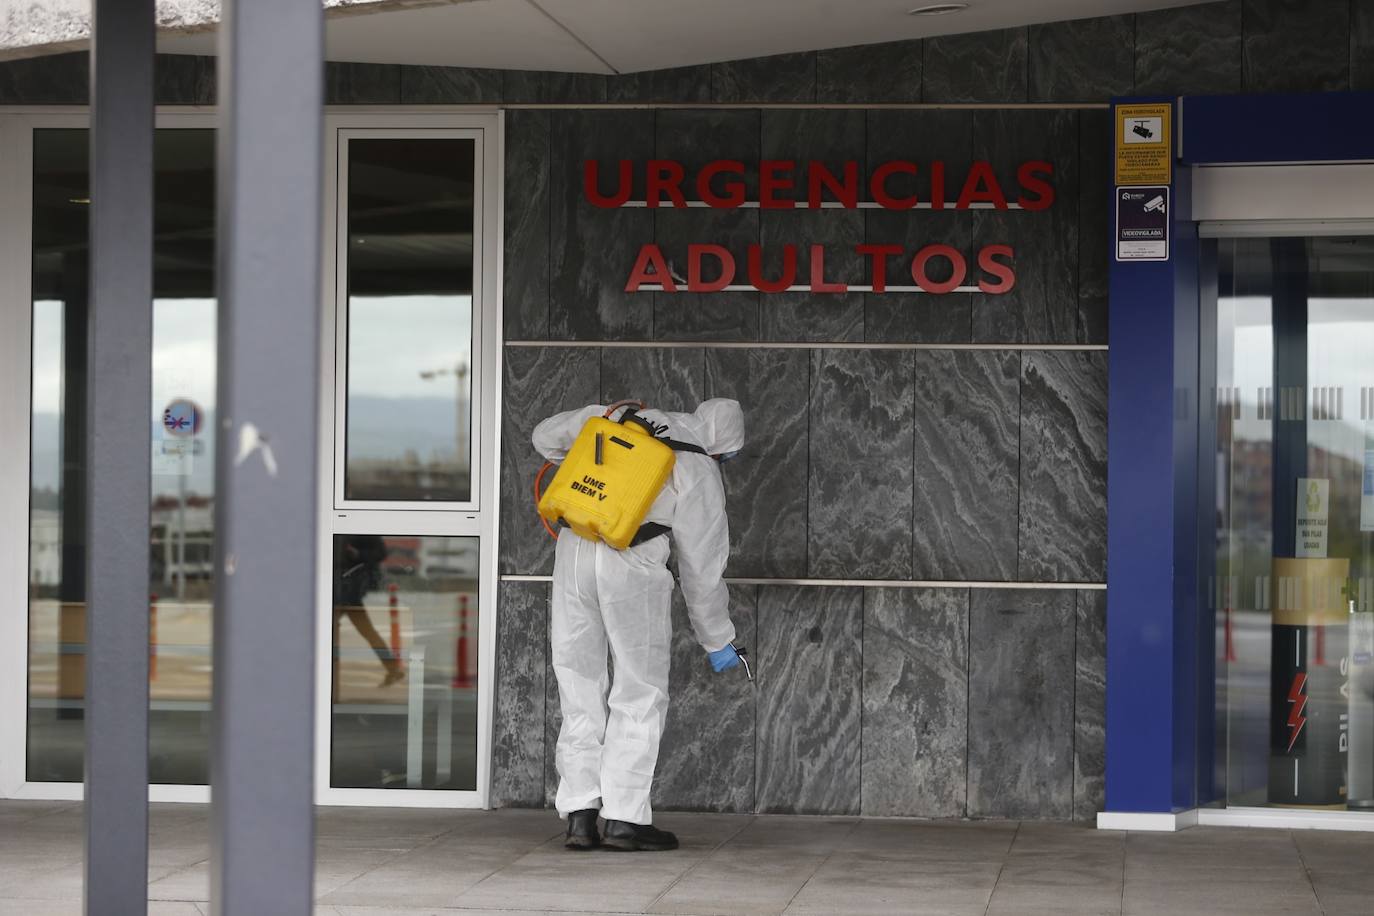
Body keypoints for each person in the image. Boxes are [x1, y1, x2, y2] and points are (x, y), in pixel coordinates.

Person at [533, 398, 745, 852]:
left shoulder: (613, 417)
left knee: (578, 682)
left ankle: (580, 814)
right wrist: (717, 638)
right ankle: (625, 818)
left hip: (574, 550)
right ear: (720, 443)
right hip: (632, 560)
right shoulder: (697, 463)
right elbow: (703, 567)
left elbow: (544, 437)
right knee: (639, 688)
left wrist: (591, 438)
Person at [332, 534, 406, 690]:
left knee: (359, 631)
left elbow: (380, 553)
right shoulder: (342, 533)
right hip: (342, 590)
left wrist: (357, 554)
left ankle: (392, 668)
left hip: (348, 591)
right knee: (367, 632)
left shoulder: (358, 533)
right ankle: (392, 668)